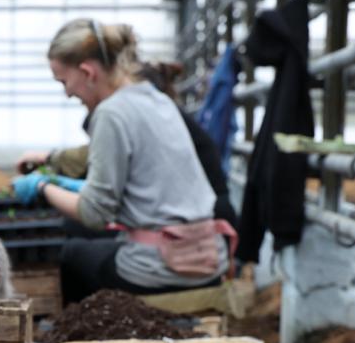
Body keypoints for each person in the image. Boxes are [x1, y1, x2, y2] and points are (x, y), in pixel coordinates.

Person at [12, 20, 236, 304]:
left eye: (63, 81)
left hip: (164, 268)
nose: (67, 93)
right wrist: (75, 185)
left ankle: (85, 342)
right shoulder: (155, 98)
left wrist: (42, 186)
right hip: (208, 257)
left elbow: (95, 215)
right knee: (97, 245)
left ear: (87, 72)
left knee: (72, 255)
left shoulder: (111, 113)